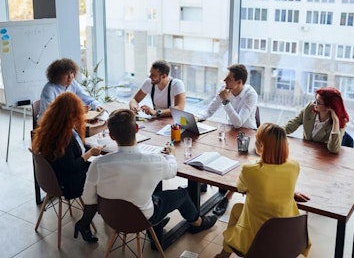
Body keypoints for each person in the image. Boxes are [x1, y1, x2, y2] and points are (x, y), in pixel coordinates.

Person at [75, 109, 218, 243]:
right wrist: (171, 156)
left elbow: (89, 198)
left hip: (111, 217)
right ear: (136, 129)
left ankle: (160, 224)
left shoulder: (98, 164)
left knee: (149, 189)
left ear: (112, 136)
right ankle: (198, 223)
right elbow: (172, 171)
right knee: (182, 194)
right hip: (143, 219)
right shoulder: (154, 161)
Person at [215, 123, 311, 258]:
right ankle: (224, 253)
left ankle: (224, 254)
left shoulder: (250, 170)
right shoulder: (294, 166)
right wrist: (291, 193)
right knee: (237, 209)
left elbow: (241, 188)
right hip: (288, 235)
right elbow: (278, 180)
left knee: (237, 209)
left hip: (258, 241)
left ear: (260, 146)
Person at [195, 64, 258, 215]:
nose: (224, 80)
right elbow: (209, 110)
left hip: (246, 133)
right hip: (230, 131)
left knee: (237, 165)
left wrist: (226, 102)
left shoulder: (251, 95)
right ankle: (201, 181)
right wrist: (197, 117)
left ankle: (227, 197)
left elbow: (239, 123)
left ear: (239, 82)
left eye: (228, 78)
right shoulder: (224, 90)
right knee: (205, 146)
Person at [31, 92, 104, 207]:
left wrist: (105, 126)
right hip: (68, 182)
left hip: (53, 177)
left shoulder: (53, 125)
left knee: (98, 167)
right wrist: (90, 153)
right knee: (103, 172)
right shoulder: (64, 138)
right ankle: (95, 210)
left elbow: (82, 133)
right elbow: (73, 166)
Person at [284, 87, 349, 154]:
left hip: (323, 157)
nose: (314, 103)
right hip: (306, 152)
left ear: (329, 107)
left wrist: (335, 121)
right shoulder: (310, 108)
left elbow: (333, 149)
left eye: (318, 102)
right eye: (315, 100)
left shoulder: (340, 122)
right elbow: (295, 122)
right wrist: (277, 133)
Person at [38, 58, 104, 120]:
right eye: (66, 74)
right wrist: (77, 110)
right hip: (48, 124)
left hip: (67, 121)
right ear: (57, 76)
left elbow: (87, 99)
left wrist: (97, 106)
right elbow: (52, 113)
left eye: (72, 72)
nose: (70, 76)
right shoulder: (49, 89)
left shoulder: (73, 83)